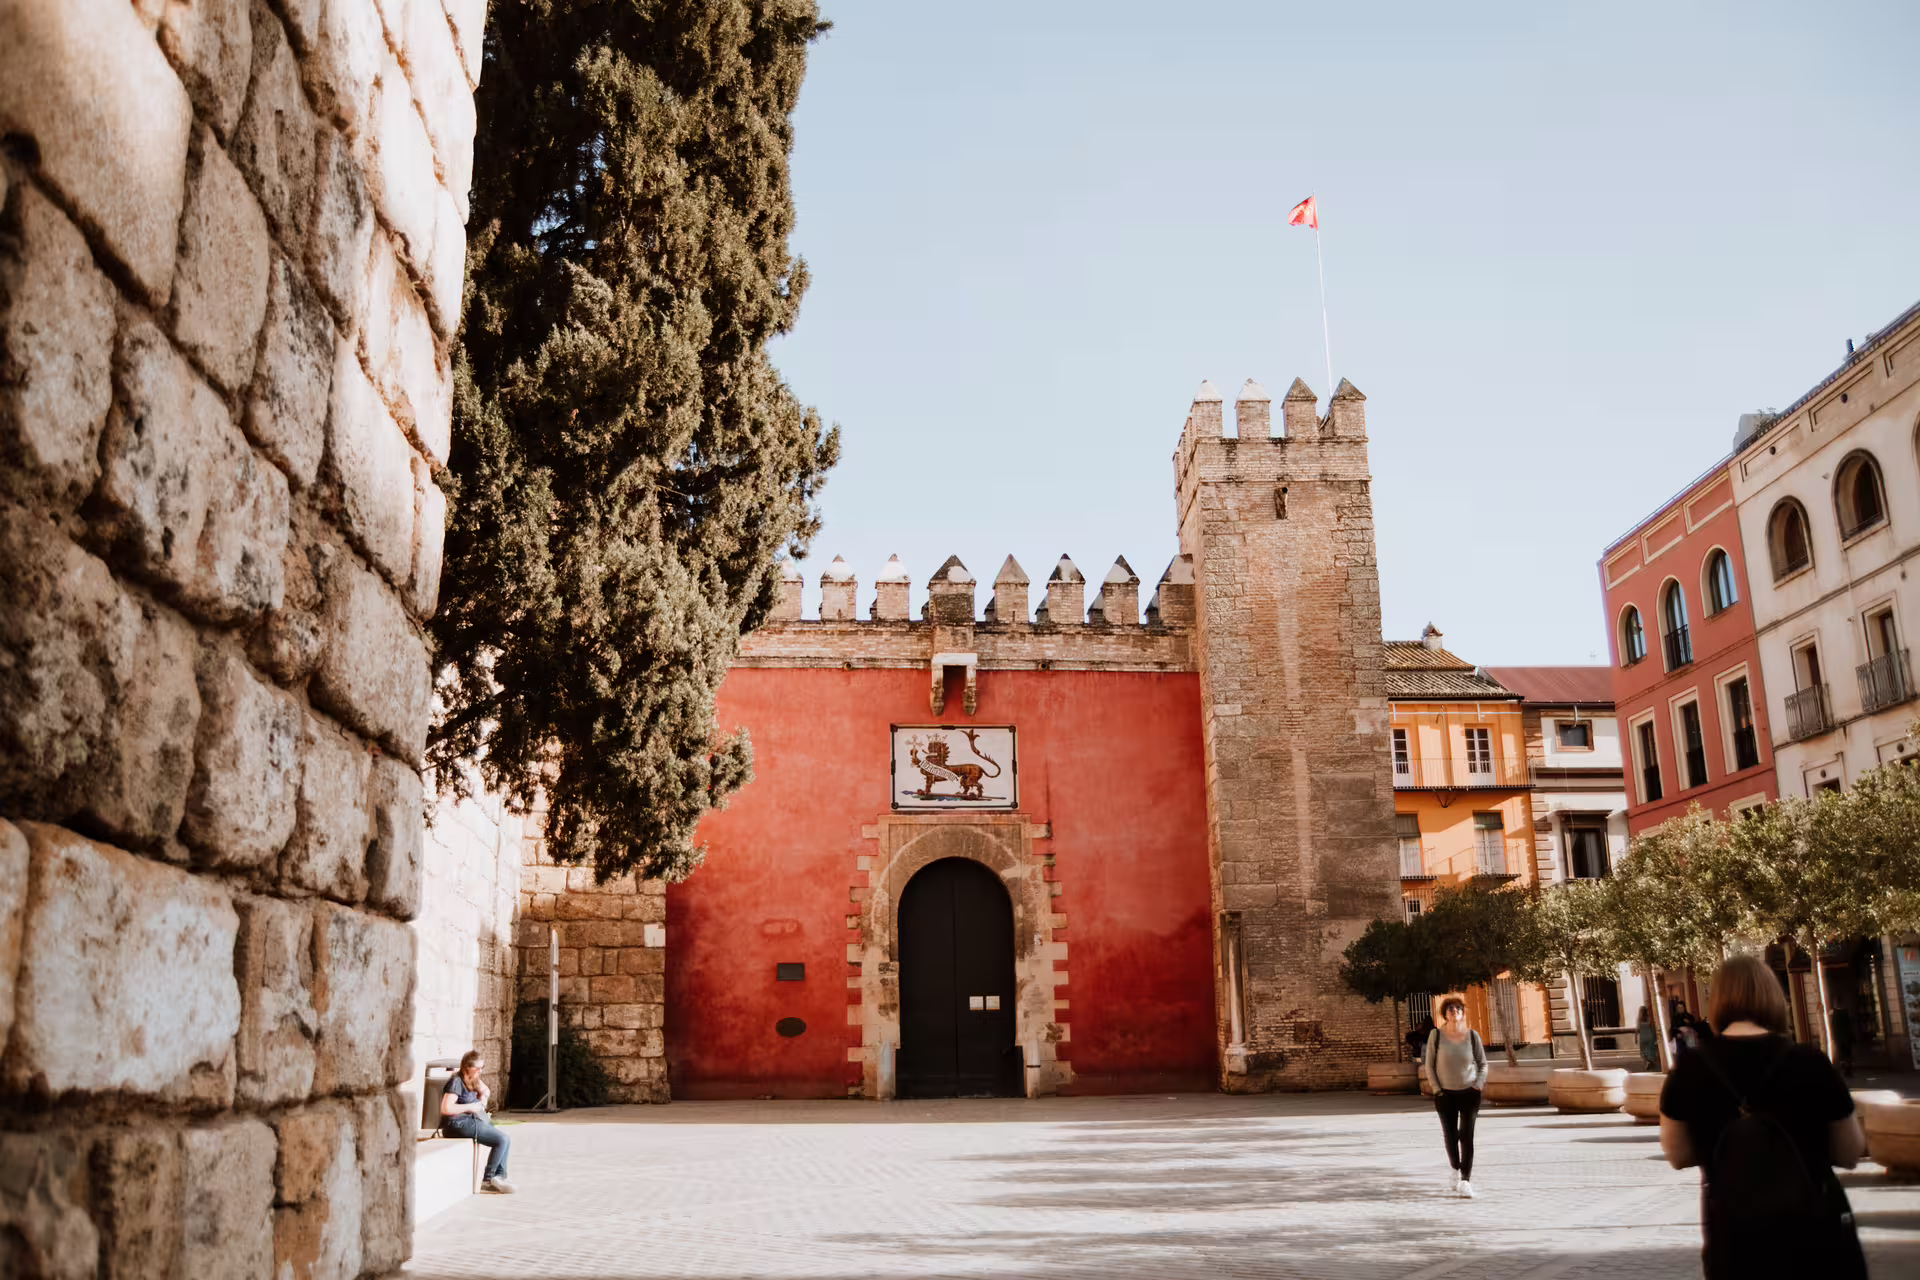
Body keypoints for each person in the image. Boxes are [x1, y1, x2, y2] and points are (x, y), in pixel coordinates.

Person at [1658, 954, 1867, 1279]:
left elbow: (1677, 1154)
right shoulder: (1810, 1061)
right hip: (1812, 1229)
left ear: (1718, 999)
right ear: (1774, 997)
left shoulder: (1690, 1068)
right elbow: (1850, 1151)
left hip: (1734, 1233)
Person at [1424, 997, 1487, 1198]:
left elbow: (1483, 1063)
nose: (1454, 1011)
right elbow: (1429, 1065)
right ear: (1445, 1013)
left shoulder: (1472, 1035)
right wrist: (1436, 1089)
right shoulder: (1436, 1036)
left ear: (1462, 1012)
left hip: (1469, 1093)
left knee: (1467, 1135)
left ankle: (1465, 1180)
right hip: (1445, 1094)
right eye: (1450, 1008)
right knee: (1451, 1136)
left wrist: (1479, 1084)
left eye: (1458, 1008)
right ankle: (1455, 1168)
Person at [442, 1050, 515, 1194]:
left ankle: (499, 1177)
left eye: (482, 1067)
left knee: (506, 1139)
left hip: (471, 1119)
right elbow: (446, 1108)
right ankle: (489, 1180)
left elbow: (486, 1091)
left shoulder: (473, 1078)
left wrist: (482, 1103)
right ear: (467, 1067)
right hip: (456, 1123)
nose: (480, 1071)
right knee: (502, 1139)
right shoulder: (456, 1081)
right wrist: (471, 1107)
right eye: (478, 1068)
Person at [1829, 1006, 1855, 1077]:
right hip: (1846, 1038)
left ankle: (1846, 1070)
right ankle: (1848, 1070)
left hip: (1840, 1038)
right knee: (1847, 1055)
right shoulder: (1845, 1014)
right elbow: (1849, 1027)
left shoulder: (1835, 1016)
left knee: (1842, 1055)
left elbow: (1834, 1028)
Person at [1637, 1005, 1660, 1071]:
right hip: (1648, 1034)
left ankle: (1648, 1061)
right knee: (1650, 1048)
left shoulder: (1639, 1019)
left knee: (1643, 1050)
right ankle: (1650, 1060)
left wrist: (1636, 1038)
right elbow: (1651, 1026)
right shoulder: (1648, 1017)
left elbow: (1638, 1029)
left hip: (1643, 1035)